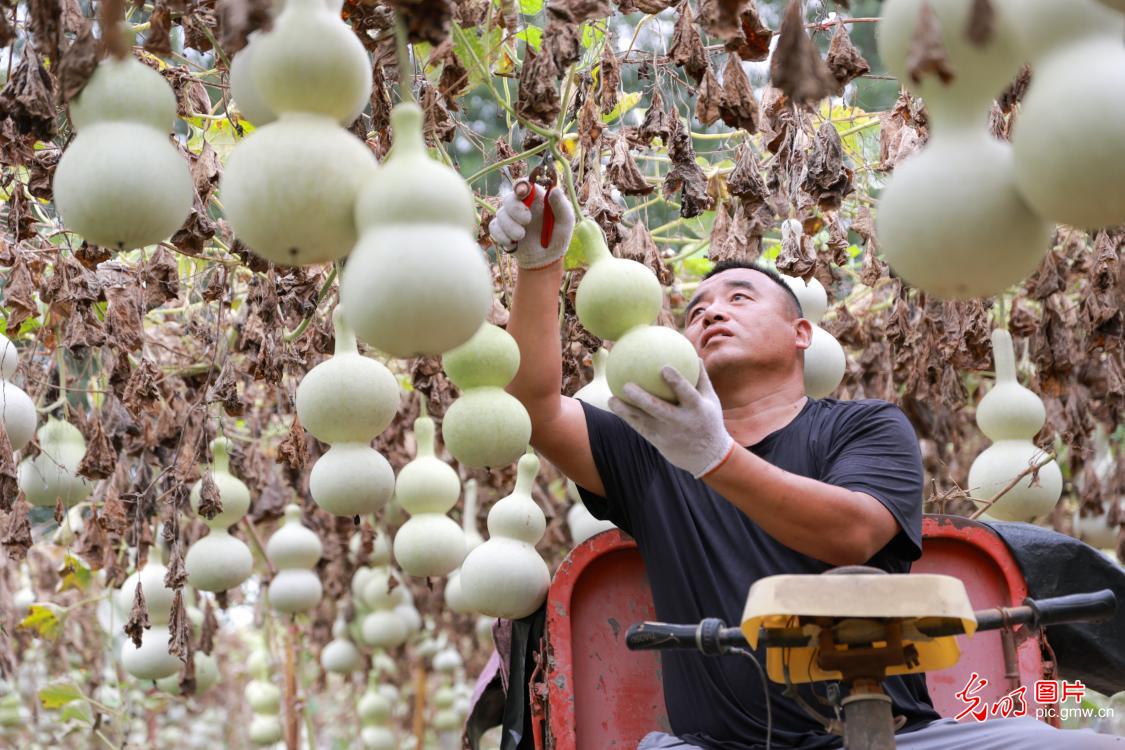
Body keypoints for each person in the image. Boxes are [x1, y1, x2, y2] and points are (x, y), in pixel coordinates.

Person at [489, 187, 1124, 749]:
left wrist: (713, 457)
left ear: (801, 334)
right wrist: (540, 265)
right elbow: (534, 407)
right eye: (696, 310)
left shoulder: (865, 426)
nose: (712, 311)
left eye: (739, 297)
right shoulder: (648, 451)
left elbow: (851, 532)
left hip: (903, 738)